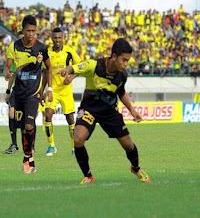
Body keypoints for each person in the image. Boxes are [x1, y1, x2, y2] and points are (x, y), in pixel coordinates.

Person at [60, 38, 151, 184]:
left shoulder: (123, 75)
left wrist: (132, 110)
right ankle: (88, 176)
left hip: (109, 111)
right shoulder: (94, 65)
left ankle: (136, 168)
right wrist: (67, 70)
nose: (126, 64)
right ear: (114, 57)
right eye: (124, 60)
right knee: (78, 139)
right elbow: (76, 67)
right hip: (89, 108)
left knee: (128, 145)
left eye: (128, 60)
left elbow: (120, 93)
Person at [3, 15, 53, 174]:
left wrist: (48, 89)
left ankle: (26, 159)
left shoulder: (41, 48)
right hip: (18, 93)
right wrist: (7, 74)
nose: (31, 33)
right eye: (28, 30)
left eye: (33, 30)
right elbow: (8, 66)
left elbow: (49, 68)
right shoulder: (14, 46)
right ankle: (29, 158)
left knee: (29, 125)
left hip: (33, 93)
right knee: (23, 128)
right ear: (23, 30)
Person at [44, 27, 81, 156]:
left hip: (66, 90)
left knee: (70, 119)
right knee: (47, 114)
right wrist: (42, 90)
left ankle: (74, 147)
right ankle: (51, 145)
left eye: (59, 37)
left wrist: (71, 77)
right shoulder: (47, 52)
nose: (57, 40)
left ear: (63, 38)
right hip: (52, 90)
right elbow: (45, 72)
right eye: (55, 38)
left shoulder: (69, 52)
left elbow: (80, 67)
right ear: (52, 39)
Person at [5, 31, 24, 154]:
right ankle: (14, 144)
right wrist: (8, 90)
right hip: (16, 90)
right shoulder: (15, 56)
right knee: (11, 113)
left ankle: (30, 145)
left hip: (29, 91)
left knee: (27, 120)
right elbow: (11, 75)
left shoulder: (33, 54)